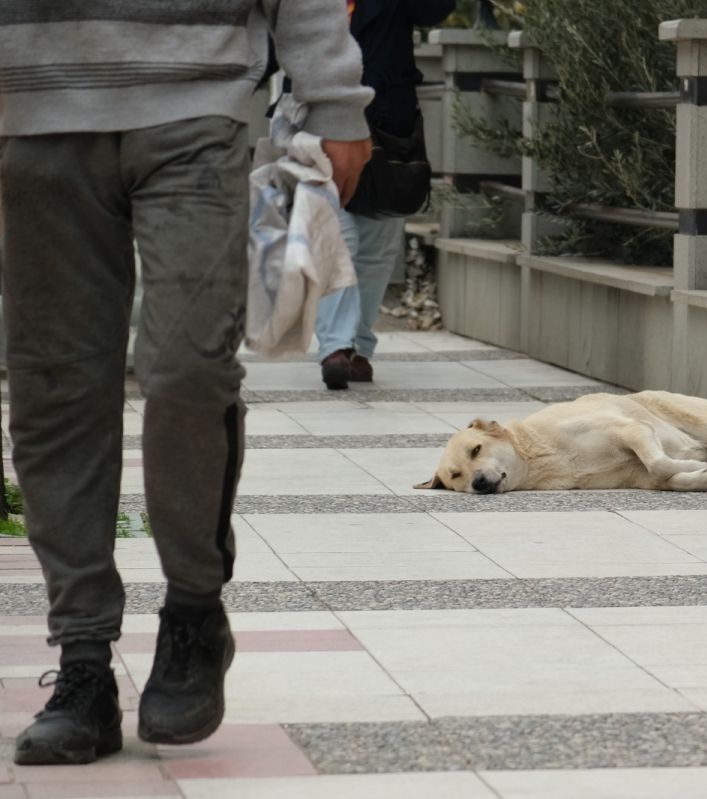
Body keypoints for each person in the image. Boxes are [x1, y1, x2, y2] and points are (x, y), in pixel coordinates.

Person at [0, 1, 373, 765]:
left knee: (186, 368)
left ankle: (195, 612)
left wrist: (334, 95)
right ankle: (83, 661)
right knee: (55, 387)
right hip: (32, 105)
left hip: (198, 99)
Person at [316, 0, 456, 390]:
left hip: (387, 129)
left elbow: (433, 11)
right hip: (316, 120)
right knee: (335, 235)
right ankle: (335, 347)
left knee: (377, 249)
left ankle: (357, 345)